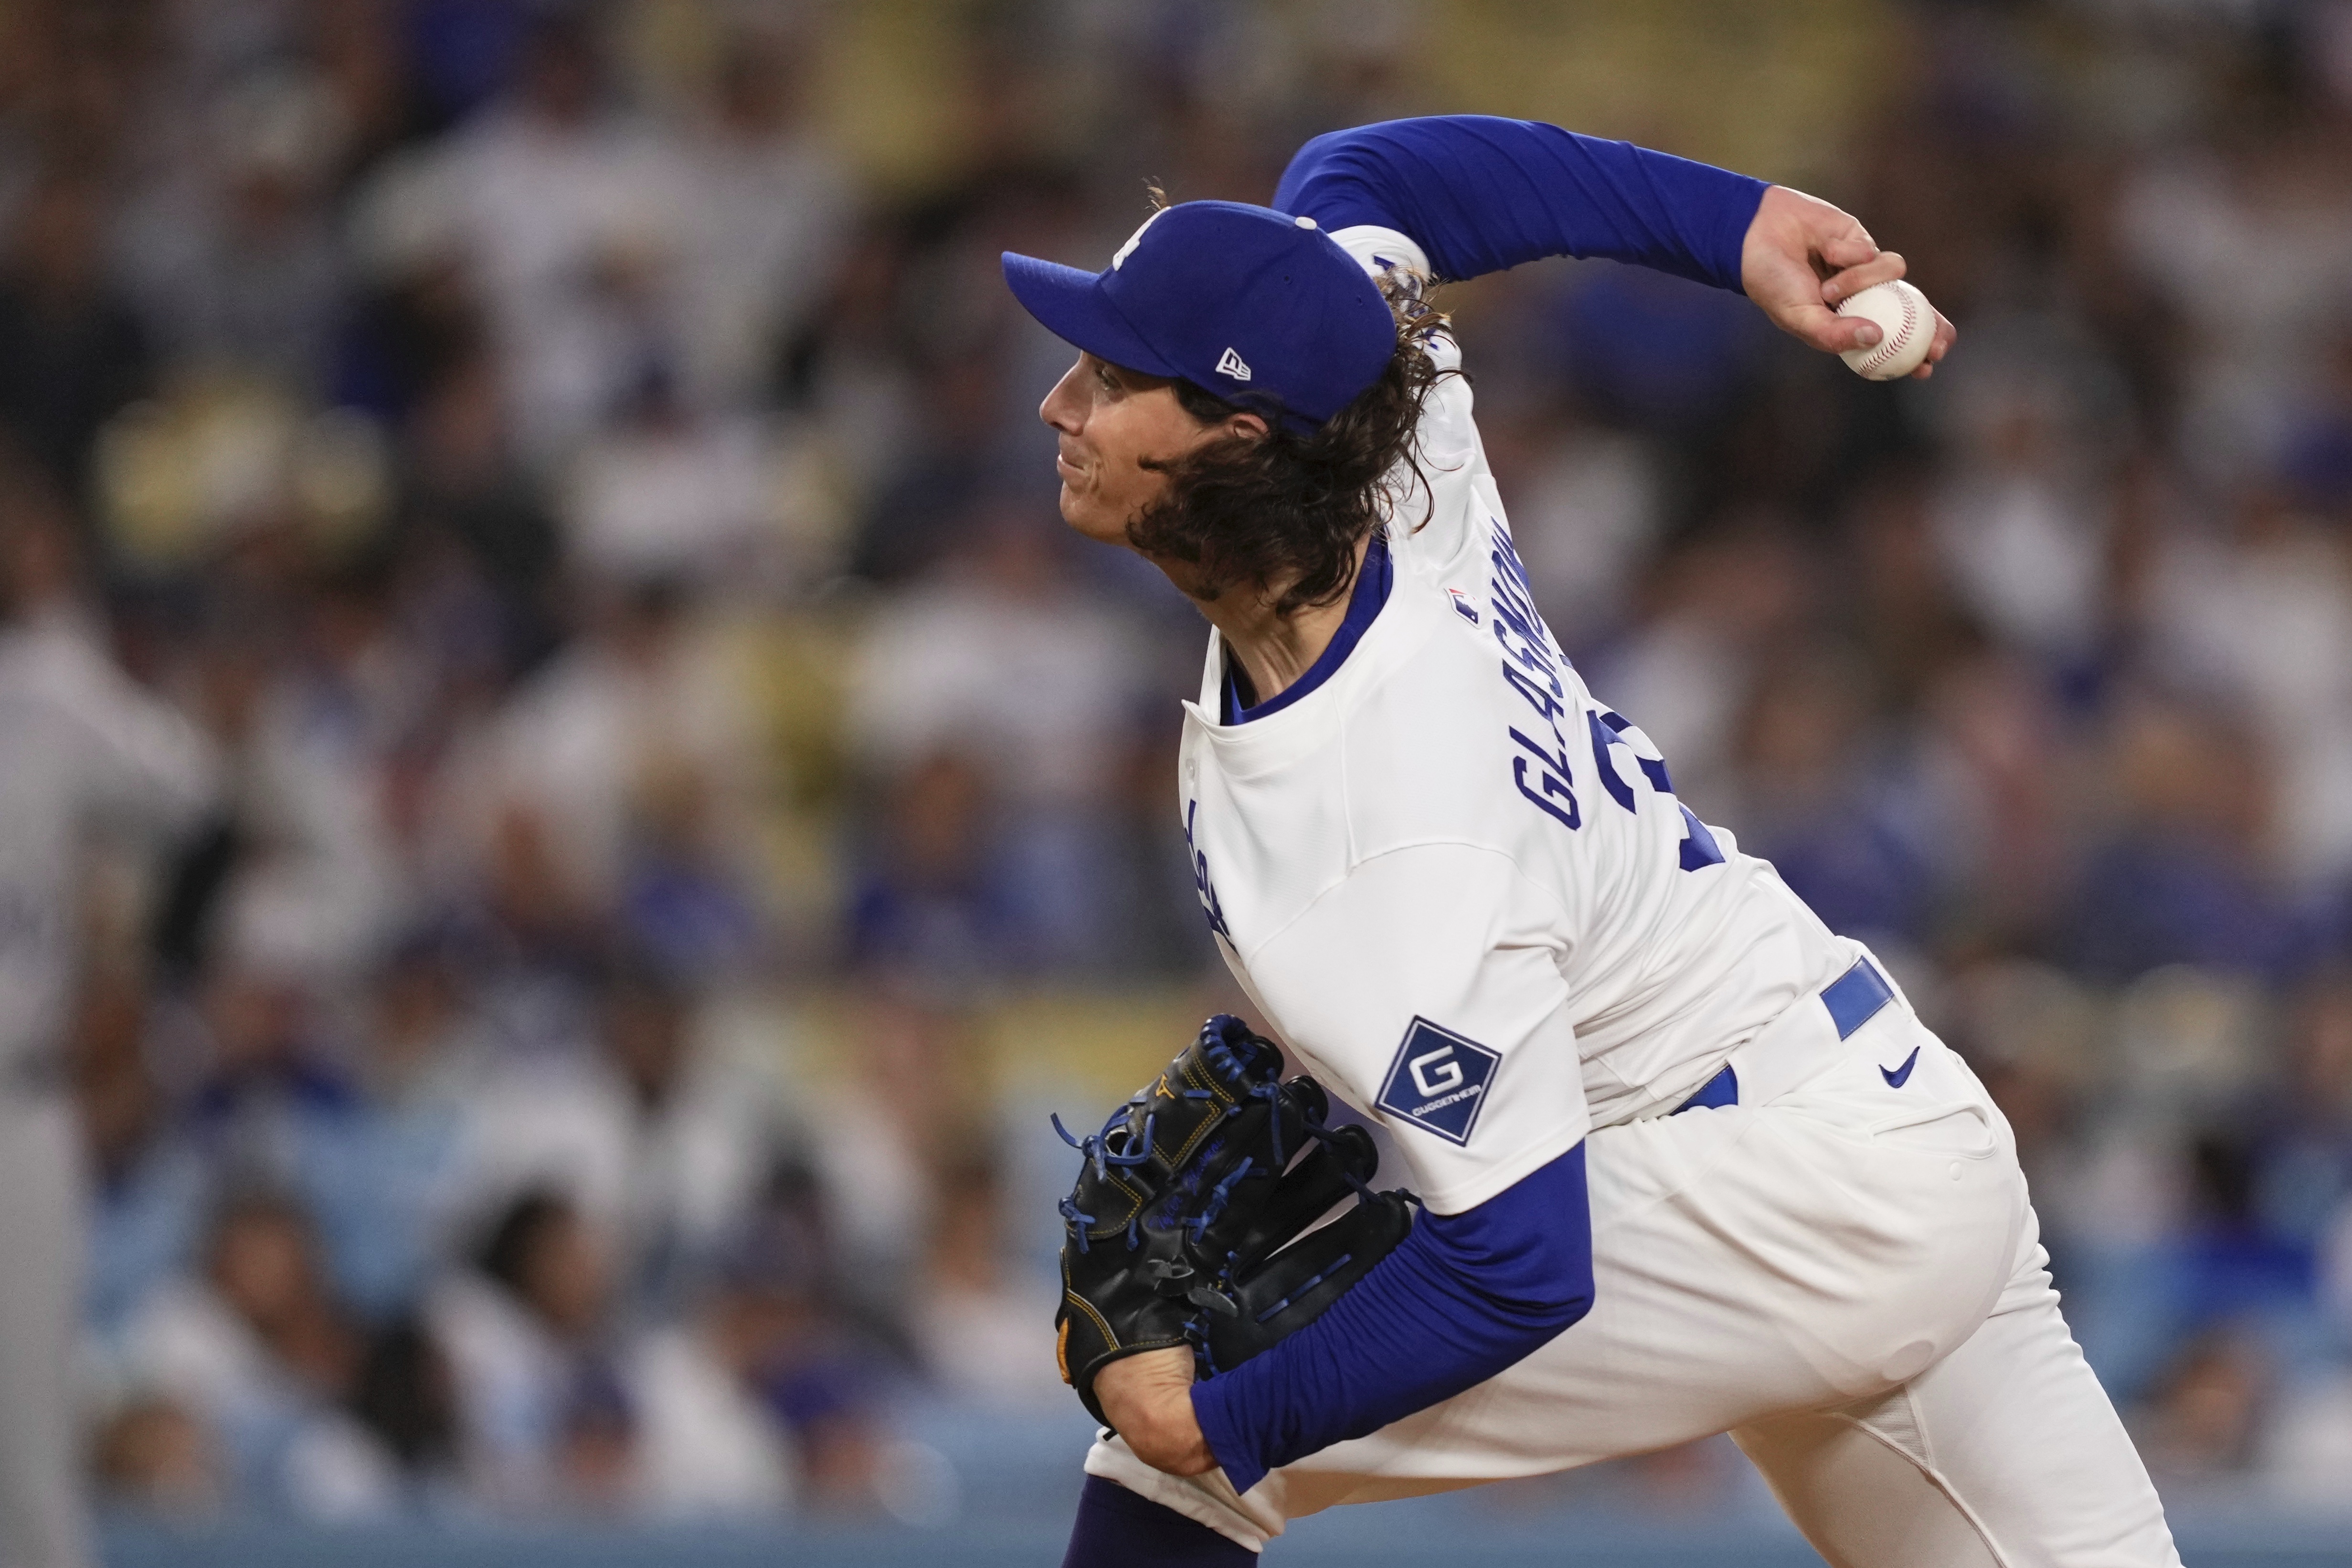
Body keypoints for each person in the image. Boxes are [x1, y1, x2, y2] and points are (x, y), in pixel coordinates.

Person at [998, 116, 2182, 1566]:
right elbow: (1364, 182)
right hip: (1868, 1127)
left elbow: (1513, 1268)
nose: (1059, 400)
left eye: (1111, 377)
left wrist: (1224, 1431)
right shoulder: (1373, 417)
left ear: (1233, 441)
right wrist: (1732, 221)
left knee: (1187, 1439)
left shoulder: (1390, 832)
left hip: (1766, 1192)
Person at [0, 483, 218, 1567]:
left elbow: (193, 797)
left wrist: (135, 964)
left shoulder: (51, 687)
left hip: (15, 1101)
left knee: (26, 1466)